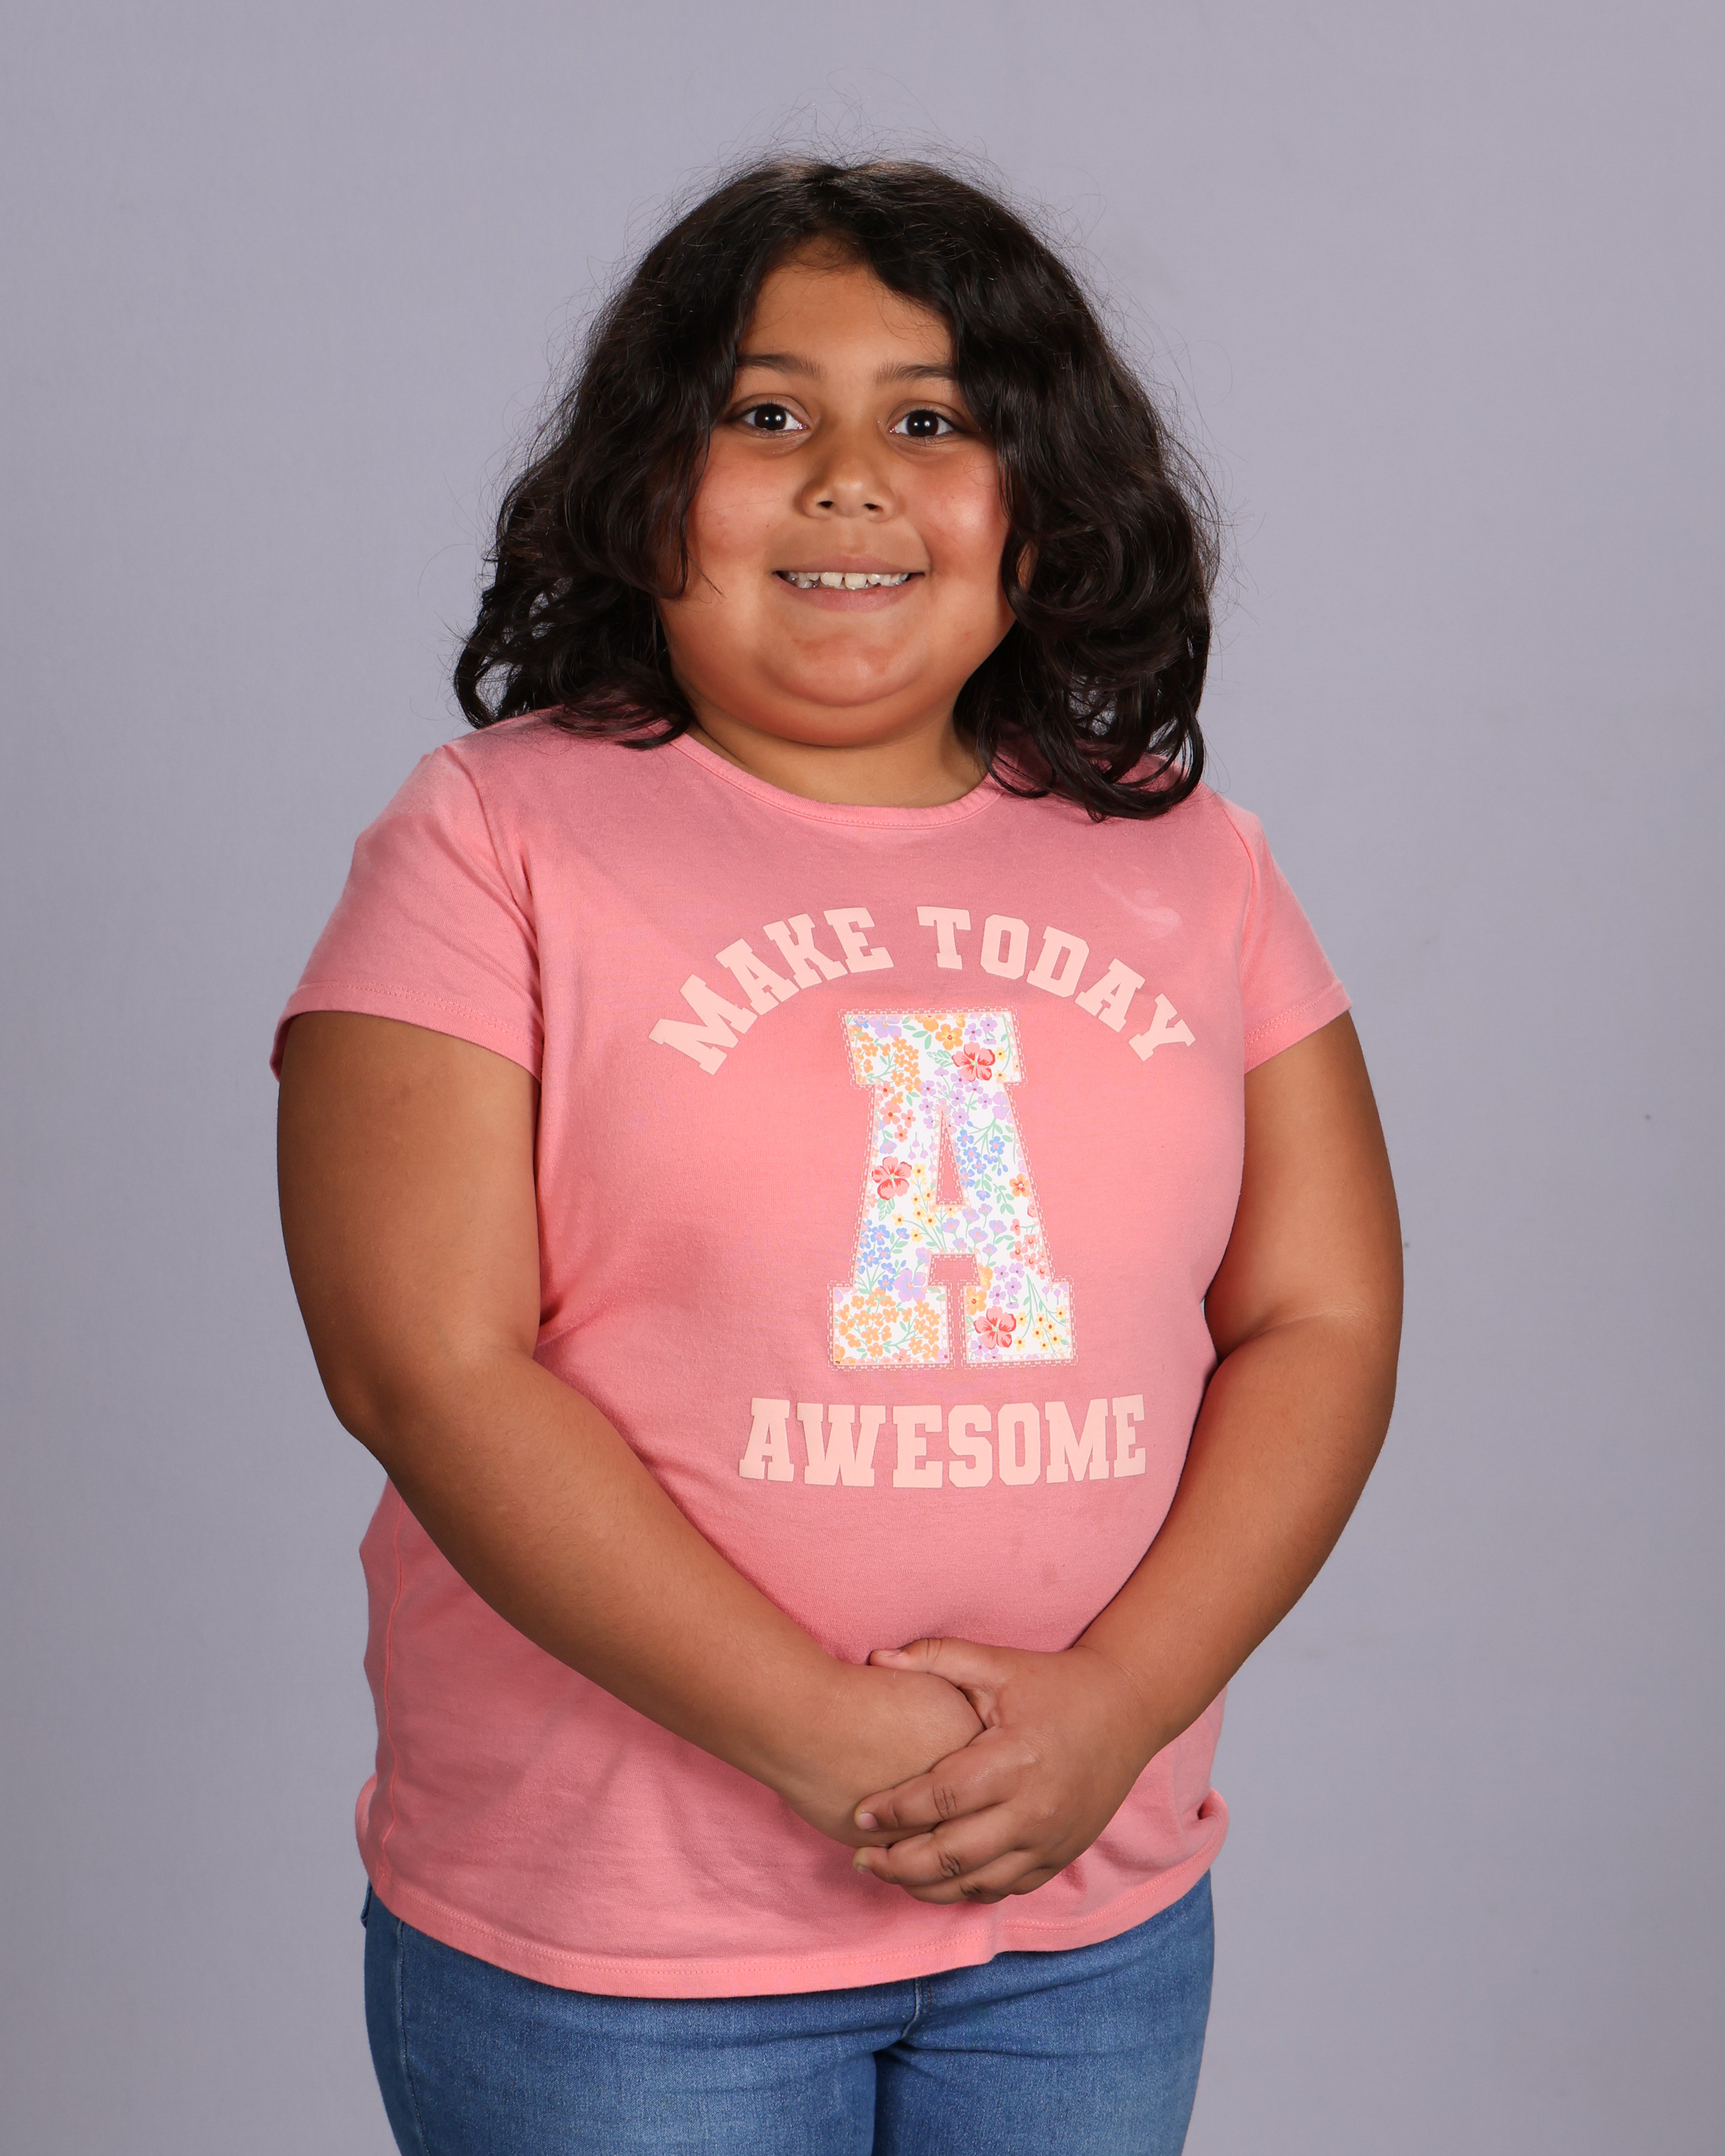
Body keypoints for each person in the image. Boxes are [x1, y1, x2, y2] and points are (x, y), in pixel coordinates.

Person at [274, 156, 1402, 2156]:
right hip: (619, 1938)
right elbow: (422, 1364)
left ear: (1042, 503)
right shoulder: (491, 840)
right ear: (649, 481)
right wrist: (817, 1736)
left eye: (937, 422)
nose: (853, 481)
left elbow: (1322, 1315)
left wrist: (1120, 1703)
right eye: (768, 413)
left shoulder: (1190, 860)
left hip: (1082, 1914)